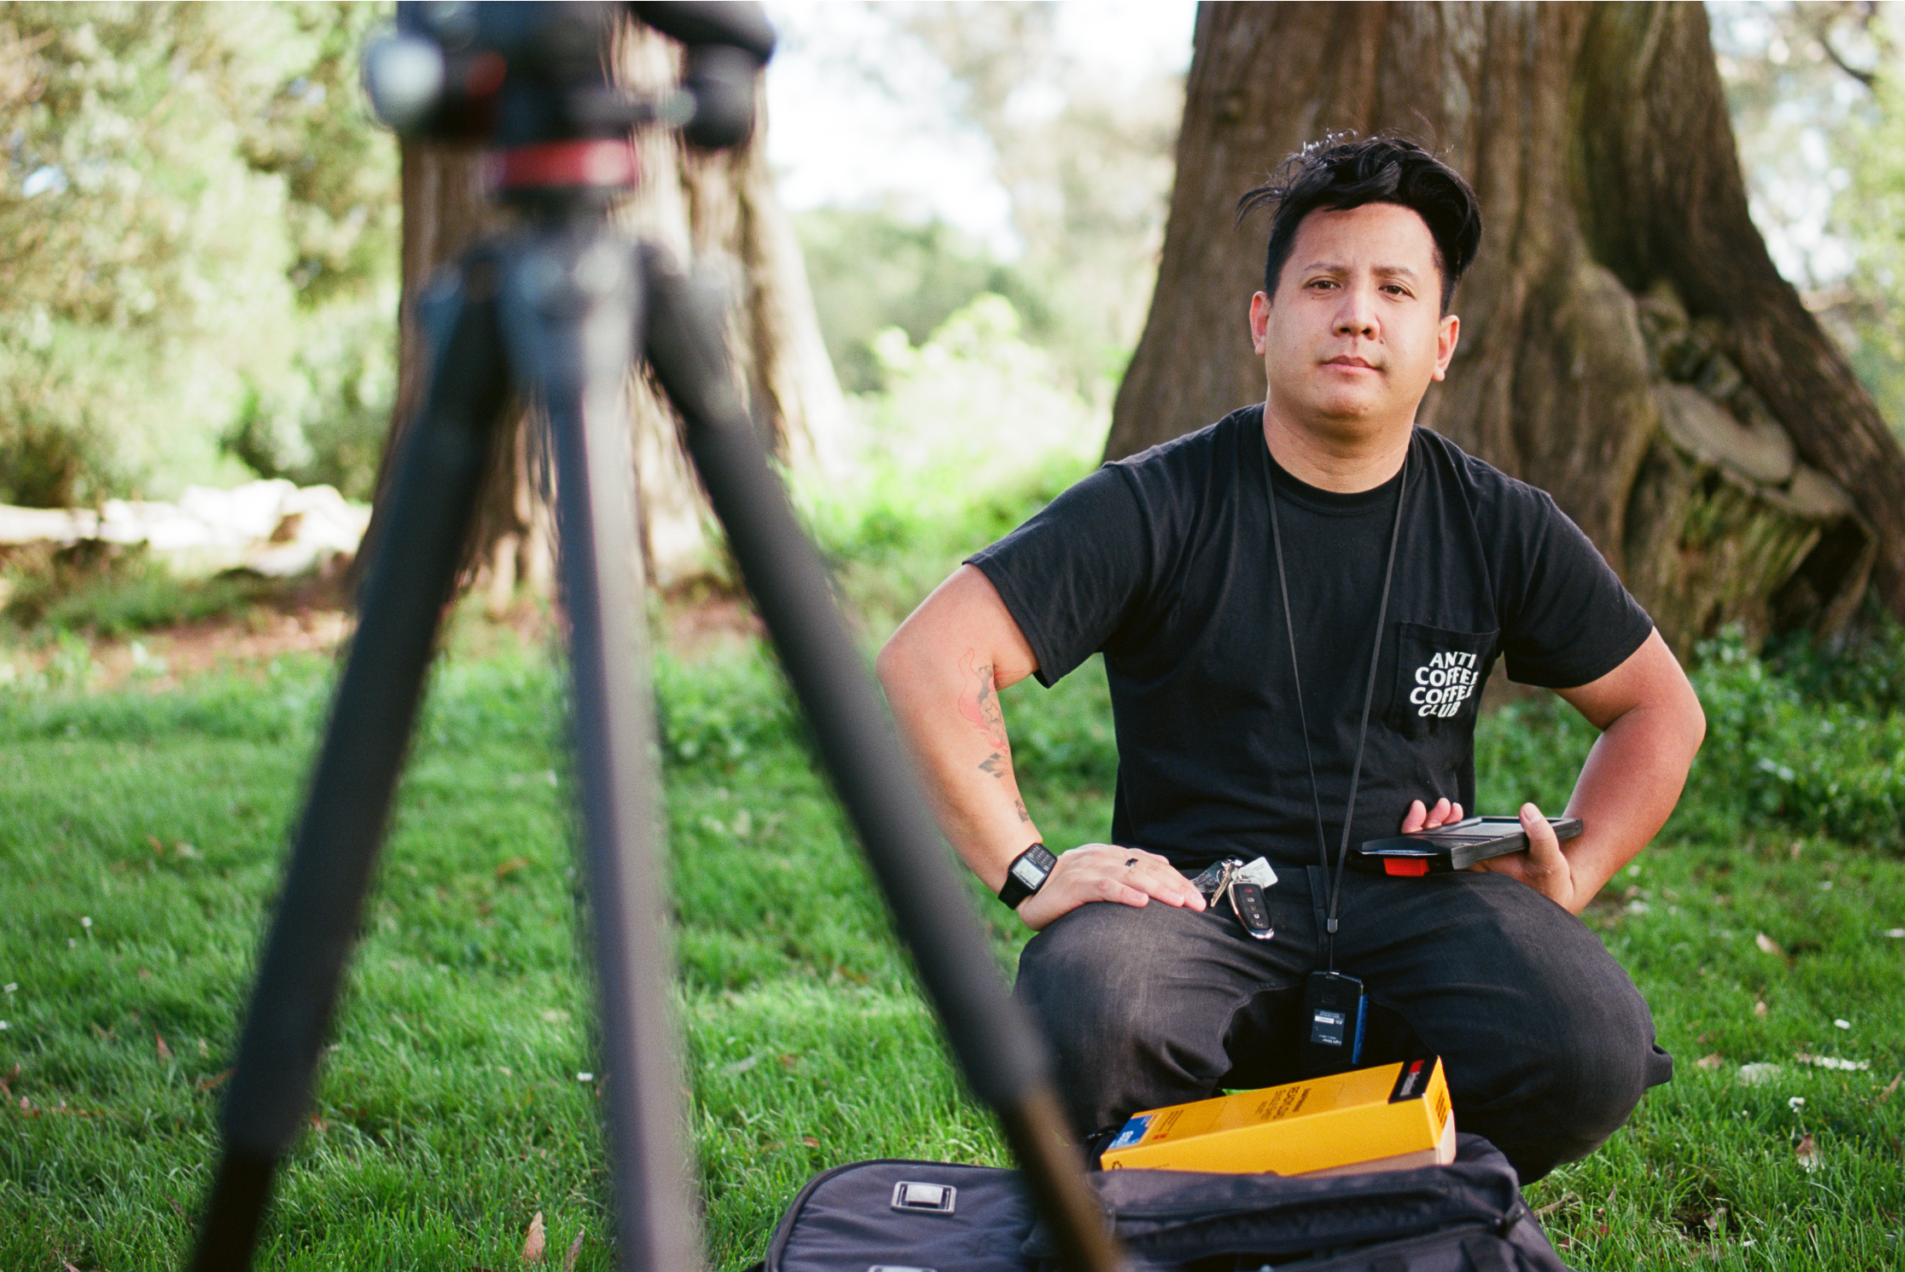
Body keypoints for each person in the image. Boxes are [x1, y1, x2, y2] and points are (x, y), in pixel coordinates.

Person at [875, 136, 1706, 1183]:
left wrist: (1575, 871)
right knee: (1081, 1014)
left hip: (1419, 894)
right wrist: (1032, 869)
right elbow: (928, 659)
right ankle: (1171, 1214)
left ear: (1441, 341)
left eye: (1394, 289)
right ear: (1265, 321)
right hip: (1195, 907)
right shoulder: (1155, 502)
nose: (1358, 313)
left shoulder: (1501, 523)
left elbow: (1658, 711)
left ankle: (1409, 1212)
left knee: (1589, 1046)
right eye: (1324, 282)